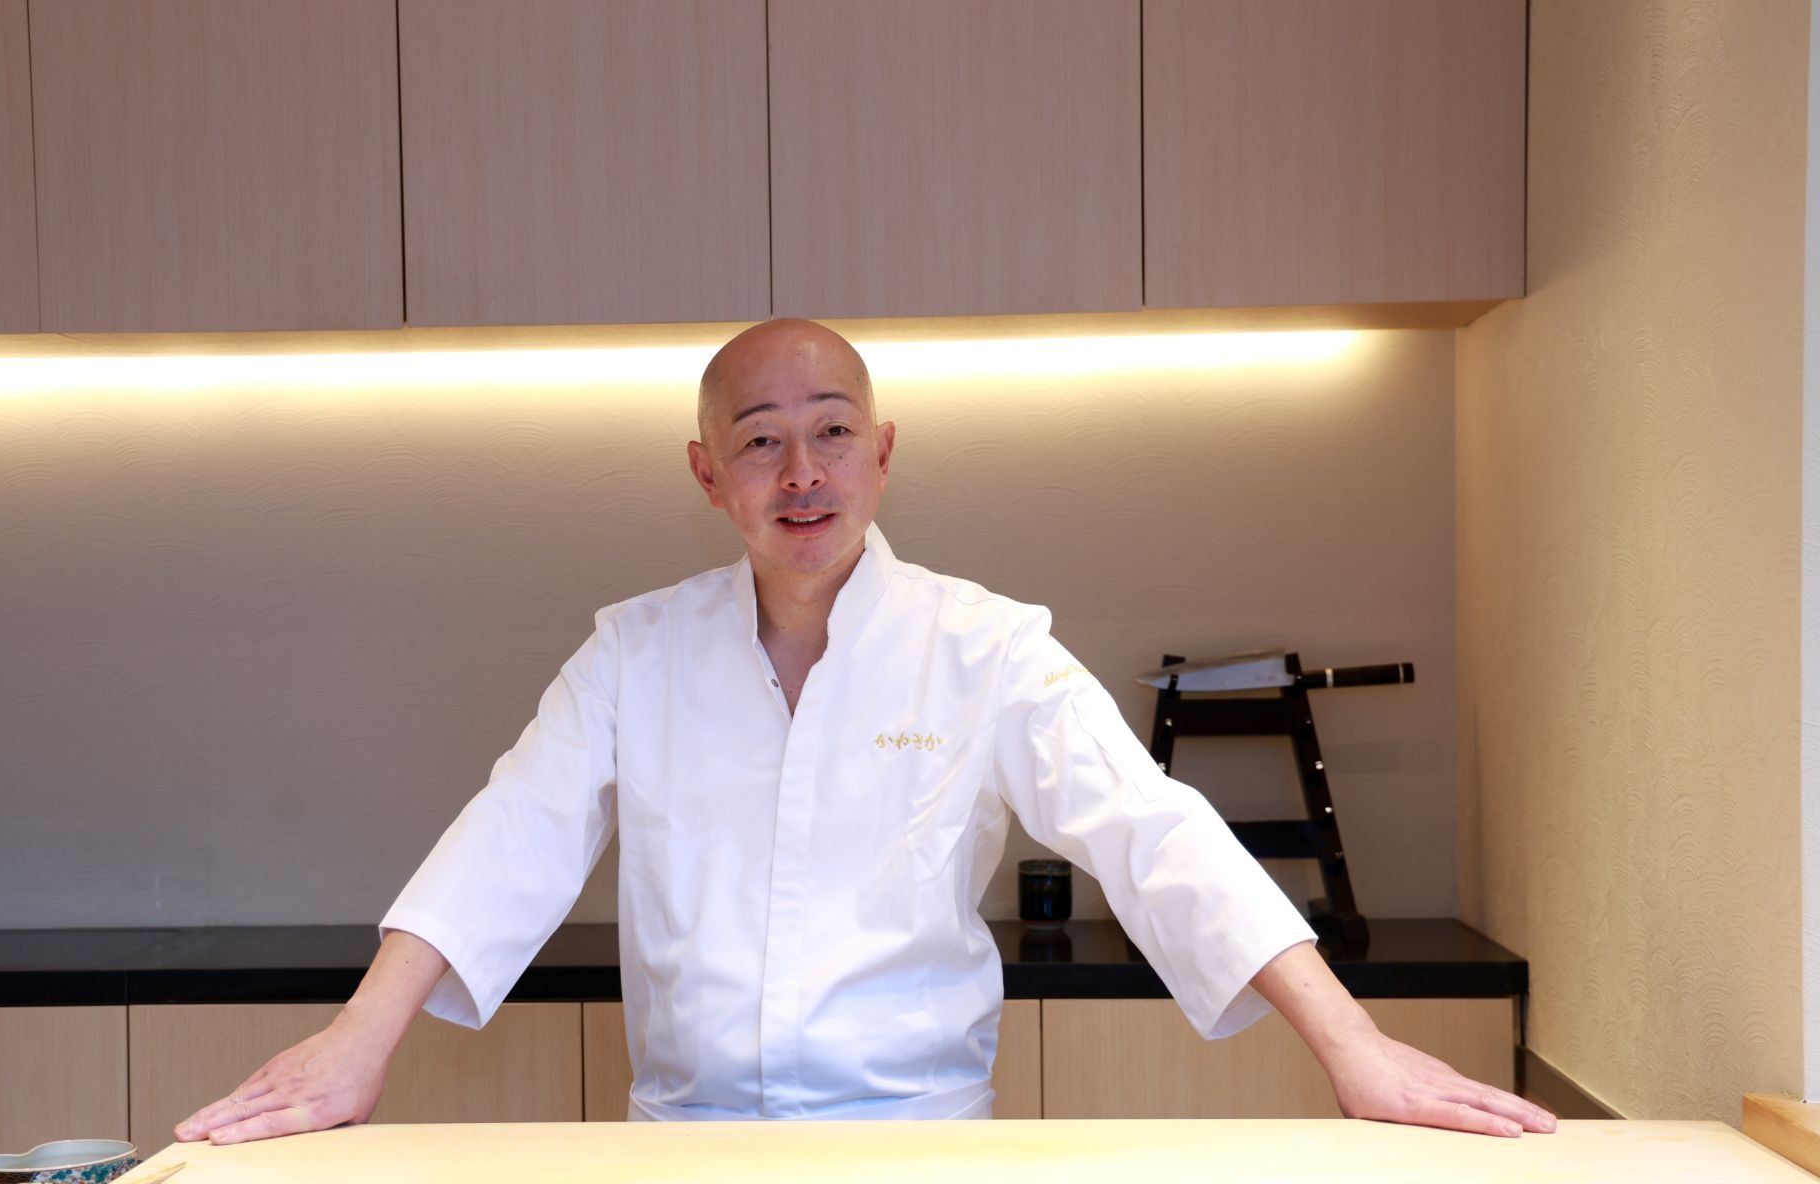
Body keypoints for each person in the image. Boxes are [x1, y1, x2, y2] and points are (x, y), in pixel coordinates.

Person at [176, 319, 1556, 1142]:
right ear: (708, 474)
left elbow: (1154, 832)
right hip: (684, 1158)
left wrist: (1353, 1046)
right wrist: (357, 1041)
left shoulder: (985, 646)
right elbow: (511, 834)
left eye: (832, 431)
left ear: (883, 455)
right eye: (760, 440)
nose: (802, 470)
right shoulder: (633, 653)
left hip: (921, 1155)